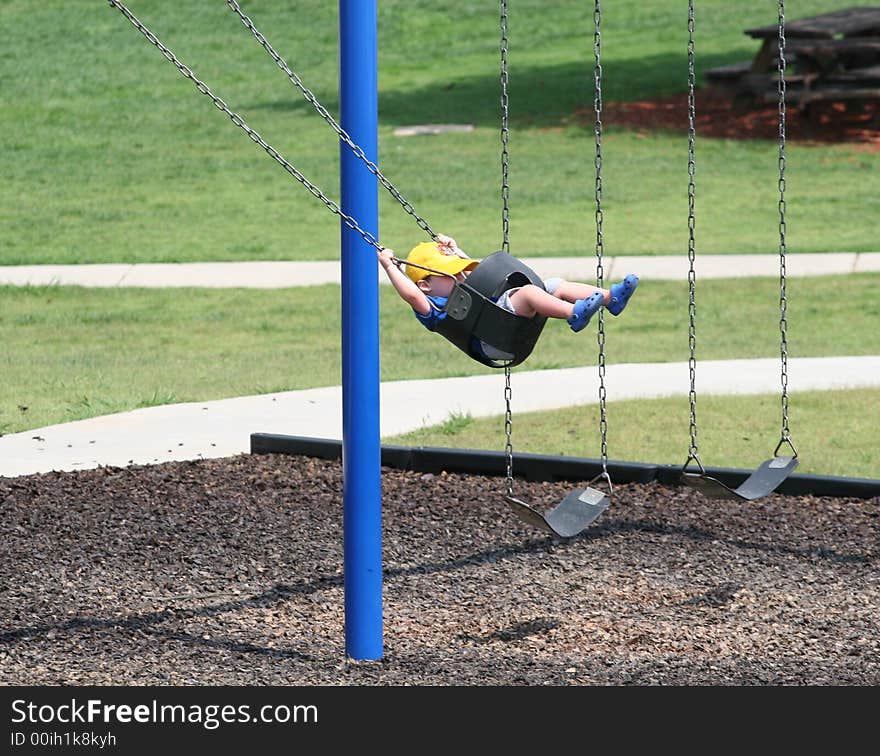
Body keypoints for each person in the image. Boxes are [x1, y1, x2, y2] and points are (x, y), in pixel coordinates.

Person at [377, 233, 638, 361]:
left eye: (458, 271)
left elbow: (481, 273)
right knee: (527, 293)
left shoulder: (461, 285)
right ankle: (574, 314)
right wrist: (390, 266)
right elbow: (410, 295)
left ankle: (609, 298)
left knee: (555, 285)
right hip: (493, 340)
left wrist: (455, 250)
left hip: (504, 324)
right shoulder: (433, 306)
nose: (458, 276)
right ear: (425, 285)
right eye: (449, 274)